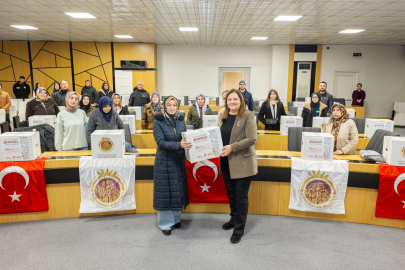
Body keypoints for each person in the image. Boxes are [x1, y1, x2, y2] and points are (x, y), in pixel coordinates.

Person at [219, 89, 257, 244]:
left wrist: (231, 147)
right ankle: (234, 219)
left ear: (241, 100)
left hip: (242, 162)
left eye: (235, 99)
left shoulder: (248, 115)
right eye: (229, 99)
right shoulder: (224, 115)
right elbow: (218, 135)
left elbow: (251, 139)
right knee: (231, 193)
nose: (232, 102)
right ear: (226, 101)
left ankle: (239, 229)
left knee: (241, 196)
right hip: (226, 161)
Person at [152, 96, 191, 236]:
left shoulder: (181, 120)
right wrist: (179, 145)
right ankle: (165, 224)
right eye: (169, 105)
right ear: (164, 106)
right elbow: (161, 143)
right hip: (164, 161)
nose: (172, 107)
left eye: (174, 105)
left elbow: (185, 138)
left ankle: (175, 219)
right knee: (165, 193)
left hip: (178, 160)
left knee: (177, 191)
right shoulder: (158, 121)